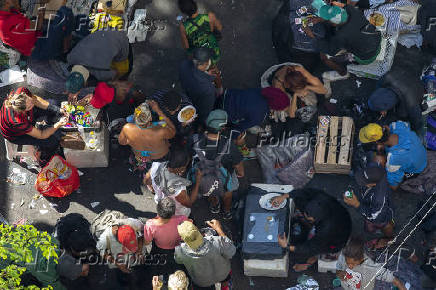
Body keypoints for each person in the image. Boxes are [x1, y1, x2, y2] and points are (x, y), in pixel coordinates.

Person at [275, 188, 352, 271]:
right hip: (342, 216)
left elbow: (311, 247)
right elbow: (305, 191)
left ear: (318, 219)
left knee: (318, 249)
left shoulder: (326, 230)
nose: (306, 218)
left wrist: (287, 246)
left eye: (310, 220)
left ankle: (309, 263)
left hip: (335, 243)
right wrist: (284, 196)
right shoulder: (320, 198)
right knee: (299, 199)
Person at [192, 109, 244, 220]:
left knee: (210, 188)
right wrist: (240, 173)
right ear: (223, 128)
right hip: (224, 178)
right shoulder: (229, 146)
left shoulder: (194, 139)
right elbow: (239, 168)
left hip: (203, 176)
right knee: (227, 194)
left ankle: (214, 205)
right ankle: (226, 211)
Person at [0, 87, 68, 164]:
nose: (32, 104)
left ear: (25, 95)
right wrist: (59, 124)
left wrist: (57, 109)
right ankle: (43, 155)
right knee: (52, 140)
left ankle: (48, 126)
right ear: (22, 111)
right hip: (15, 135)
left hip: (25, 119)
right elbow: (42, 135)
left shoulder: (20, 91)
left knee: (54, 104)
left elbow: (35, 99)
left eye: (30, 100)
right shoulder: (18, 121)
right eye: (29, 106)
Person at [312, 4, 381, 75]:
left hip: (366, 57)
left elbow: (331, 51)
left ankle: (342, 69)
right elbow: (339, 10)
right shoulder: (350, 9)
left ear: (334, 23)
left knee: (325, 58)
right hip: (376, 40)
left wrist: (311, 35)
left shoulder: (341, 35)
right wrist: (321, 18)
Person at [359, 122, 427, 191]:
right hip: (420, 151)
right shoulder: (397, 125)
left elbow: (393, 186)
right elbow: (406, 125)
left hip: (418, 168)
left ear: (377, 142)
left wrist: (381, 155)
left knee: (385, 174)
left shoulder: (393, 161)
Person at [0, 0, 74, 60]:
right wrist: (42, 5)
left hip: (37, 37)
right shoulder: (6, 23)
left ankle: (63, 45)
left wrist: (15, 4)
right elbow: (38, 26)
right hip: (41, 48)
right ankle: (65, 52)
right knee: (65, 13)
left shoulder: (7, 12)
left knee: (55, 20)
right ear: (7, 2)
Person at [175, 220, 236, 289]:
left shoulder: (180, 251)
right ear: (198, 230)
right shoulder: (216, 241)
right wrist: (218, 229)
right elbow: (231, 251)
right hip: (223, 273)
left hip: (202, 281)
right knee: (225, 281)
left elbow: (178, 261)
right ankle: (225, 287)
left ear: (182, 238)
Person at [118, 101, 176, 172]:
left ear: (135, 118)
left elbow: (122, 142)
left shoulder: (127, 128)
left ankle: (142, 167)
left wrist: (133, 140)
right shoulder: (161, 129)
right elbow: (173, 132)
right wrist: (159, 111)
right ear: (150, 118)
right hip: (161, 157)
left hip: (140, 156)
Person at [144, 146, 202, 217]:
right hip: (177, 213)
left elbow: (146, 180)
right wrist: (198, 182)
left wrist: (155, 189)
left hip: (161, 202)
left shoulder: (157, 164)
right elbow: (189, 204)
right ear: (181, 168)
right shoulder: (179, 188)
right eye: (185, 166)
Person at [336, 236, 407, 290]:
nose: (350, 267)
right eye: (348, 263)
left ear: (362, 258)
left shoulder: (371, 266)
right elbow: (338, 268)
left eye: (353, 264)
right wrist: (339, 273)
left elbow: (395, 281)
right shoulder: (344, 254)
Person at [367, 69, 425, 133]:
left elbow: (417, 121)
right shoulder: (387, 77)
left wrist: (415, 131)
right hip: (407, 76)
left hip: (417, 87)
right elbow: (379, 89)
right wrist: (382, 107)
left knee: (402, 115)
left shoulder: (410, 103)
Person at [344, 166, 394, 238]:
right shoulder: (377, 172)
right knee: (368, 227)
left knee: (381, 225)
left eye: (364, 182)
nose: (361, 183)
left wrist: (356, 204)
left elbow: (375, 217)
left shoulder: (379, 199)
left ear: (373, 184)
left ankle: (389, 238)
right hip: (370, 204)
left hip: (380, 216)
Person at [179, 48, 223, 125]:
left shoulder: (184, 64)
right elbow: (205, 111)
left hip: (186, 94)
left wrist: (206, 74)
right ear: (206, 63)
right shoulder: (208, 89)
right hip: (198, 106)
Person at [178, 0, 222, 64]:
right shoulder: (209, 16)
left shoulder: (184, 26)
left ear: (183, 11)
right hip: (214, 52)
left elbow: (186, 46)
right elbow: (219, 28)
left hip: (199, 57)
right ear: (195, 5)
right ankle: (213, 63)